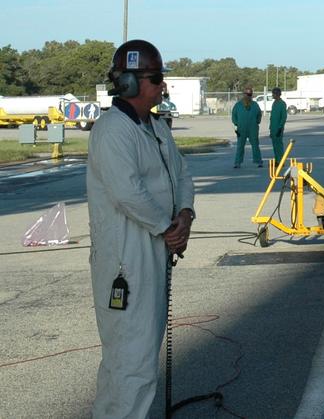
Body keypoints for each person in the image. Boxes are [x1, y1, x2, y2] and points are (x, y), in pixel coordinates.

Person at [87, 39, 195, 419]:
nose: (161, 86)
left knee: (136, 356)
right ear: (129, 83)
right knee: (131, 360)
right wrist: (168, 228)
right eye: (155, 78)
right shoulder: (112, 131)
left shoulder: (156, 127)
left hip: (155, 250)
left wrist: (185, 215)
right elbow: (126, 193)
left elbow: (181, 174)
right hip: (126, 261)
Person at [231, 87, 263, 169]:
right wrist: (236, 124)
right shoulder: (238, 105)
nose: (249, 96)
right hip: (241, 129)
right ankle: (237, 162)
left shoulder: (255, 104)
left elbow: (259, 114)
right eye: (247, 94)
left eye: (250, 94)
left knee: (255, 145)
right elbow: (234, 115)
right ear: (244, 94)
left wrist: (257, 122)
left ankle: (258, 161)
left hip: (253, 128)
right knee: (240, 146)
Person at [267, 87, 288, 163]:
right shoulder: (274, 103)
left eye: (273, 93)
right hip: (273, 127)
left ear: (277, 94)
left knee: (279, 146)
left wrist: (280, 127)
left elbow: (283, 117)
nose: (272, 95)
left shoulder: (282, 104)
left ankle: (281, 161)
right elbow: (272, 117)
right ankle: (277, 160)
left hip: (278, 128)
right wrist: (270, 129)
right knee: (275, 146)